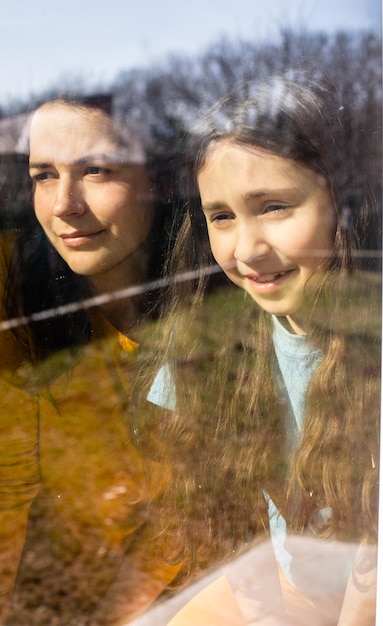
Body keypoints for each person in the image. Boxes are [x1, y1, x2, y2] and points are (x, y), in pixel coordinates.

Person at [145, 74, 381, 625]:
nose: (246, 250)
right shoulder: (206, 352)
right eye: (222, 216)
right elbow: (231, 521)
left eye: (274, 206)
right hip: (278, 590)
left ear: (345, 206)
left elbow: (376, 578)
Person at [0, 95, 181, 625]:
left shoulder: (222, 303)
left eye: (96, 171)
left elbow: (204, 519)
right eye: (43, 175)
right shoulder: (20, 290)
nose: (63, 205)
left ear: (160, 182)